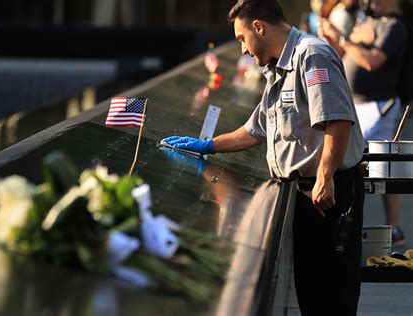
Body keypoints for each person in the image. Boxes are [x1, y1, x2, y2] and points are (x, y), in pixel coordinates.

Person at [162, 1, 365, 314]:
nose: (242, 49)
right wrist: (205, 145)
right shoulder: (278, 68)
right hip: (305, 194)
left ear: (259, 27)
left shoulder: (312, 55)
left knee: (331, 295)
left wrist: (325, 178)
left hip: (327, 194)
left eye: (242, 39)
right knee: (311, 292)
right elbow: (254, 130)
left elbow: (337, 121)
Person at [320, 0, 408, 246]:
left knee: (382, 170)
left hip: (379, 106)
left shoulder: (395, 26)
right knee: (360, 165)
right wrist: (333, 38)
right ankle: (347, 222)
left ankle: (394, 228)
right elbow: (348, 53)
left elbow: (372, 61)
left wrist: (344, 39)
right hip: (355, 104)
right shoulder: (368, 19)